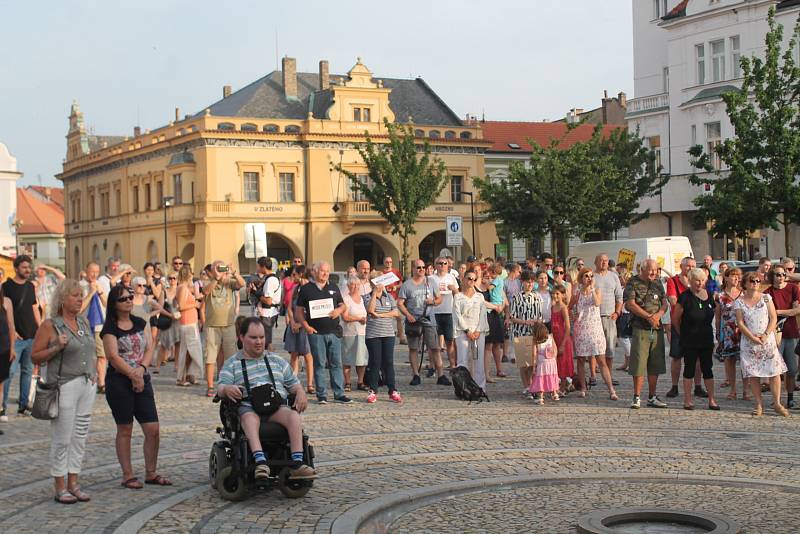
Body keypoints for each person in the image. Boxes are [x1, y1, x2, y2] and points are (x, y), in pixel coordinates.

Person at [216, 317, 315, 479]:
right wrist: (227, 389)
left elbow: (293, 383)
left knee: (294, 416)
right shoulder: (232, 363)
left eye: (261, 337)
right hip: (249, 408)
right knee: (248, 419)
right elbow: (220, 387)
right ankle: (260, 462)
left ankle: (298, 463)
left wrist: (301, 393)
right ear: (241, 338)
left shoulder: (276, 360)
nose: (259, 342)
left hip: (276, 407)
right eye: (253, 338)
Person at [31, 279, 97, 503]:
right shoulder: (51, 325)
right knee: (63, 437)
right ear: (62, 299)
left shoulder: (84, 322)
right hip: (64, 385)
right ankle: (60, 486)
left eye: (81, 295)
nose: (80, 299)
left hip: (86, 384)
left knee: (80, 436)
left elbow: (91, 350)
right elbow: (35, 356)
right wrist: (56, 346)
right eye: (75, 295)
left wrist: (95, 371)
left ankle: (74, 482)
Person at [102, 284, 171, 488]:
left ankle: (151, 472)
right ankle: (128, 474)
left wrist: (141, 370)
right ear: (114, 304)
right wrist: (132, 374)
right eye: (123, 299)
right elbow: (113, 357)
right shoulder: (109, 329)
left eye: (130, 297)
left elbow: (149, 347)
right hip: (119, 382)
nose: (129, 301)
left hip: (142, 378)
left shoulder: (140, 322)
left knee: (153, 428)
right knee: (125, 429)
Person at [295, 261, 351, 404]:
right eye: (322, 271)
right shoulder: (306, 289)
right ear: (314, 272)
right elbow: (299, 310)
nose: (325, 274)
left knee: (336, 363)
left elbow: (342, 305)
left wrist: (338, 310)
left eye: (327, 271)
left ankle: (339, 393)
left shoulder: (333, 286)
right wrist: (306, 326)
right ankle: (322, 395)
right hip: (316, 333)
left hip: (333, 332)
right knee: (319, 364)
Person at [734, 272, 789, 417]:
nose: (756, 283)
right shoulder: (739, 302)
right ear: (745, 283)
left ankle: (777, 403)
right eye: (752, 281)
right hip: (749, 342)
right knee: (753, 373)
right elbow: (740, 323)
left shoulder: (766, 298)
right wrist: (752, 337)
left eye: (758, 281)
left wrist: (765, 335)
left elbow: (773, 318)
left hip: (767, 340)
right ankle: (758, 404)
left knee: (774, 371)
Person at [623, 259, 669, 409]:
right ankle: (636, 397)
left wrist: (658, 315)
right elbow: (630, 304)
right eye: (650, 270)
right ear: (642, 269)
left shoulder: (657, 283)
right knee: (638, 363)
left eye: (655, 270)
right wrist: (648, 317)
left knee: (655, 364)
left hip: (656, 327)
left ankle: (652, 396)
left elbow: (664, 303)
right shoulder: (633, 282)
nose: (653, 273)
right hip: (640, 327)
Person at [673, 268, 719, 410]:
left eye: (702, 280)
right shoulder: (684, 297)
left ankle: (712, 400)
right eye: (697, 280)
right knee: (689, 369)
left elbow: (716, 313)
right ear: (691, 281)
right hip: (690, 339)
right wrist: (683, 333)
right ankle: (688, 400)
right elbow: (676, 319)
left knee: (708, 369)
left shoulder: (710, 295)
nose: (699, 283)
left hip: (706, 338)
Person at [398, 259, 450, 386]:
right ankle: (416, 374)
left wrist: (432, 302)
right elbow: (399, 303)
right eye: (418, 267)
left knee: (435, 348)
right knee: (413, 348)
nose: (421, 269)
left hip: (428, 318)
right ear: (413, 269)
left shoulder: (430, 282)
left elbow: (439, 299)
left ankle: (441, 375)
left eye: (423, 267)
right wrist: (408, 315)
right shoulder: (407, 285)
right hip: (413, 320)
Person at [2, 255, 41, 417]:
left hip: (31, 335)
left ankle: (23, 405)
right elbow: (3, 312)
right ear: (16, 268)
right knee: (9, 373)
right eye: (24, 267)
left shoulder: (30, 287)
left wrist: (41, 329)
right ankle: (2, 407)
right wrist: (12, 333)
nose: (27, 270)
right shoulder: (6, 286)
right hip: (15, 338)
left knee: (27, 371)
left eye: (29, 267)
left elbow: (34, 308)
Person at [571, 267, 617, 400]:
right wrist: (573, 315)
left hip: (595, 329)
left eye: (591, 276)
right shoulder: (577, 292)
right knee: (580, 359)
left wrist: (591, 289)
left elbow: (597, 303)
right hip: (581, 328)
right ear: (581, 278)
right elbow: (569, 306)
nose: (589, 278)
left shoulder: (596, 290)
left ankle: (611, 389)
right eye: (586, 276)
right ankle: (583, 388)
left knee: (601, 360)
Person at [203, 261, 245, 395]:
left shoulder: (229, 282)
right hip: (212, 326)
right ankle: (210, 386)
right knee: (210, 357)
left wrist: (233, 273)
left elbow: (242, 284)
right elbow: (206, 291)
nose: (220, 270)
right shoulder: (208, 282)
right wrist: (216, 277)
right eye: (217, 267)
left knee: (231, 357)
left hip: (229, 325)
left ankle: (230, 383)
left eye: (222, 267)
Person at [666, 257, 705, 399]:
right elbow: (673, 301)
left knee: (697, 359)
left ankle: (698, 386)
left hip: (696, 326)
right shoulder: (673, 281)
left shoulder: (699, 280)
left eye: (693, 266)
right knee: (676, 356)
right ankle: (674, 387)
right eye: (688, 266)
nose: (690, 268)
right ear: (681, 266)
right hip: (680, 324)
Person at [764, 265, 800, 409]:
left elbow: (797, 310)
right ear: (772, 276)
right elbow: (767, 313)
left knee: (791, 369)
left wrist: (777, 311)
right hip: (774, 334)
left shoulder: (793, 288)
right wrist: (787, 311)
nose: (781, 277)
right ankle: (777, 399)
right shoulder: (767, 293)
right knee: (775, 369)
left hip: (791, 332)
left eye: (783, 274)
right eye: (778, 274)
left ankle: (790, 398)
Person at [364, 282, 402, 403]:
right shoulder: (366, 296)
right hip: (373, 335)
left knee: (389, 362)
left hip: (388, 334)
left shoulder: (389, 296)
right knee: (375, 362)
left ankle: (392, 390)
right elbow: (370, 310)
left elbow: (396, 313)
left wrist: (380, 315)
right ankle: (373, 390)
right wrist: (375, 293)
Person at [452, 269, 489, 391]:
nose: (471, 281)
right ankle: (463, 387)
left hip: (478, 332)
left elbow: (483, 314)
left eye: (474, 279)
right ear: (463, 279)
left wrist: (478, 330)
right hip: (463, 332)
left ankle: (480, 387)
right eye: (469, 278)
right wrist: (467, 331)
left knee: (479, 361)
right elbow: (457, 315)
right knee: (462, 360)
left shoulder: (479, 297)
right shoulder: (458, 297)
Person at [508, 271, 543, 393]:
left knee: (533, 362)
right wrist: (525, 322)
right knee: (524, 362)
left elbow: (540, 315)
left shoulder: (537, 296)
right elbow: (512, 317)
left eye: (532, 282)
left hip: (533, 333)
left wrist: (537, 322)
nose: (530, 284)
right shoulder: (516, 297)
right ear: (523, 282)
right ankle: (526, 386)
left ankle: (532, 384)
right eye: (528, 282)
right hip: (520, 332)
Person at [78, 262, 108, 393]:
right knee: (86, 356)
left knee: (102, 356)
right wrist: (90, 293)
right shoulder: (79, 286)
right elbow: (79, 308)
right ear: (86, 271)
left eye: (97, 272)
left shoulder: (100, 285)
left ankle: (101, 383)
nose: (94, 274)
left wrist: (100, 292)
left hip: (99, 326)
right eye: (92, 271)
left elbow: (107, 304)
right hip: (84, 325)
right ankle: (87, 381)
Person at [593, 254, 623, 387]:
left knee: (610, 349)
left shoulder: (614, 276)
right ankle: (593, 376)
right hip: (594, 318)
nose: (604, 263)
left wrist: (617, 312)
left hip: (610, 317)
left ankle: (609, 376)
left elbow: (619, 297)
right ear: (596, 262)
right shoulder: (591, 276)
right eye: (601, 260)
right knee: (594, 348)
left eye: (606, 260)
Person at [284, 266, 314, 394]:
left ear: (301, 274)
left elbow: (311, 311)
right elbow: (290, 307)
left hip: (305, 326)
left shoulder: (310, 289)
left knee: (308, 356)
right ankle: (293, 381)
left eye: (295, 275)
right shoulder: (295, 288)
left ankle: (310, 384)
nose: (293, 277)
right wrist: (292, 322)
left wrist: (301, 324)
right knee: (294, 354)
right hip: (294, 326)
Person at [715, 268, 745, 400]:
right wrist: (717, 332)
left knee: (745, 362)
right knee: (730, 361)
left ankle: (746, 390)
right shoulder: (720, 296)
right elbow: (717, 317)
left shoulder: (744, 294)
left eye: (738, 276)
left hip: (744, 331)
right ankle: (733, 389)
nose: (736, 278)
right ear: (726, 278)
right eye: (733, 276)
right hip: (727, 333)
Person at [175, 266, 204, 388]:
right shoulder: (182, 288)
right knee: (188, 351)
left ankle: (188, 374)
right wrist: (194, 304)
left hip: (191, 322)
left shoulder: (186, 288)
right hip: (187, 322)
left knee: (189, 351)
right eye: (191, 273)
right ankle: (181, 377)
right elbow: (181, 306)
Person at [431, 257, 459, 369]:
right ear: (436, 265)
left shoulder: (451, 277)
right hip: (434, 312)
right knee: (434, 343)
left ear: (448, 265)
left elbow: (458, 295)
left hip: (448, 311)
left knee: (450, 341)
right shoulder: (431, 278)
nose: (442, 265)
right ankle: (434, 367)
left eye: (444, 263)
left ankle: (452, 365)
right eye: (440, 263)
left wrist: (454, 289)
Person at [341, 277, 369, 391]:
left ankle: (360, 381)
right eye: (352, 285)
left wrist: (365, 319)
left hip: (362, 332)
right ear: (348, 286)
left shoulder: (362, 299)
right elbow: (345, 317)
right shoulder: (345, 299)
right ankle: (347, 382)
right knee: (347, 358)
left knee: (361, 359)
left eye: (357, 285)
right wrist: (359, 318)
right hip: (349, 332)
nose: (355, 287)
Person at [482, 264, 507, 380]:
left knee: (497, 343)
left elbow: (492, 289)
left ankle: (499, 369)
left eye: (489, 274)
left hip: (496, 310)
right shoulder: (499, 280)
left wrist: (487, 284)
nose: (488, 277)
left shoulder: (496, 281)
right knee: (489, 344)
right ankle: (487, 372)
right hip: (489, 313)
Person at [251, 257, 281, 350]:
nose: (257, 269)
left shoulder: (270, 280)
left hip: (267, 314)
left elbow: (268, 301)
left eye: (258, 266)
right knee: (266, 341)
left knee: (266, 342)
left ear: (263, 267)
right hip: (268, 313)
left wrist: (256, 293)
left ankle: (270, 361)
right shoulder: (272, 278)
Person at [550, 285, 574, 395]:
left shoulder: (564, 308)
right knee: (555, 364)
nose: (555, 296)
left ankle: (563, 388)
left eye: (557, 294)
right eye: (553, 293)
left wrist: (563, 344)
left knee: (563, 364)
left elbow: (568, 327)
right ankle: (555, 386)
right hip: (554, 338)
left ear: (563, 295)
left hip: (563, 338)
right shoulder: (552, 307)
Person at [529, 321, 559, 405]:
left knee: (541, 379)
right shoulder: (550, 337)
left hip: (542, 362)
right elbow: (555, 349)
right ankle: (555, 393)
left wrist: (534, 365)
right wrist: (554, 358)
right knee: (551, 376)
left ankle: (541, 397)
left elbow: (534, 354)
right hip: (551, 361)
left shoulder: (536, 341)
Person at [0, 282, 15, 429]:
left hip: (3, 348)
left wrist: (12, 348)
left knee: (1, 385)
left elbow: (11, 325)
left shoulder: (6, 302)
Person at [381, 257, 405, 345]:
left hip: (394, 297)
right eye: (387, 262)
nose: (388, 263)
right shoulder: (381, 273)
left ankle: (401, 337)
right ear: (384, 262)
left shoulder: (396, 272)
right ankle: (388, 338)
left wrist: (396, 287)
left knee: (399, 317)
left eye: (390, 262)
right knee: (388, 319)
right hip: (385, 298)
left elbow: (401, 282)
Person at [503, 263, 522, 365]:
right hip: (509, 308)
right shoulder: (504, 282)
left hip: (518, 309)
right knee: (509, 333)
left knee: (517, 332)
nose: (519, 273)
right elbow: (504, 297)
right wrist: (507, 314)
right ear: (514, 271)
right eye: (519, 271)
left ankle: (515, 354)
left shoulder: (519, 282)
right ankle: (508, 354)